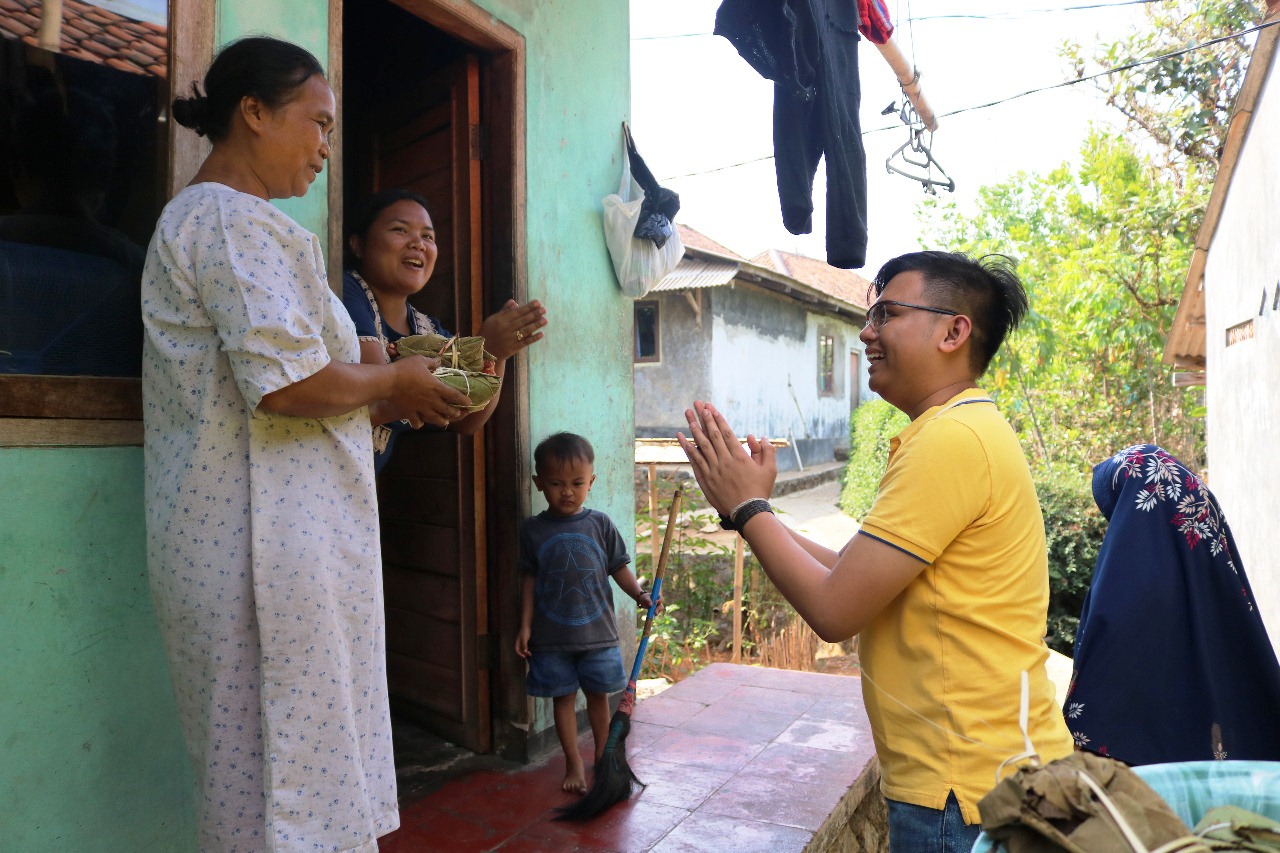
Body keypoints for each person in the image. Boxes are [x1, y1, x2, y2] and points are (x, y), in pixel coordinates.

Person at [141, 36, 471, 851]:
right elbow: (289, 385)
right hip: (254, 551)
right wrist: (397, 384)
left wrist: (456, 358)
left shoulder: (257, 229)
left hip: (287, 547)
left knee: (297, 772)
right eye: (318, 123)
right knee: (272, 782)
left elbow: (346, 356)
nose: (328, 145)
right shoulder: (224, 220)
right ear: (253, 113)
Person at [677, 251, 1075, 853]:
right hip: (987, 777)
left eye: (887, 313)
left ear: (953, 331)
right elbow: (851, 574)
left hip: (966, 792)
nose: (866, 332)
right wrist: (746, 516)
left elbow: (835, 612)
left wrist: (750, 510)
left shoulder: (951, 439)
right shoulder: (960, 430)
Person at [1066, 443, 1280, 764]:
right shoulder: (1202, 530)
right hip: (1232, 767)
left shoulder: (1130, 574)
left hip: (1149, 778)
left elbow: (1108, 649)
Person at [341, 188, 546, 472]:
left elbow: (467, 420)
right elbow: (380, 397)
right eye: (400, 230)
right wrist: (479, 349)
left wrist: (494, 354)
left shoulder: (427, 328)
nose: (419, 244)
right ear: (358, 245)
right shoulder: (346, 291)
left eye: (428, 236)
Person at [514, 432, 653, 794]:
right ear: (538, 483)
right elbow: (528, 580)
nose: (567, 492)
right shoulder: (533, 530)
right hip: (551, 639)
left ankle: (604, 758)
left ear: (591, 481)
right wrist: (525, 626)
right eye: (557, 483)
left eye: (577, 483)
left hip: (598, 635)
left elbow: (619, 567)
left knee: (598, 699)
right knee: (562, 698)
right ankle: (573, 760)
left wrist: (639, 594)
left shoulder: (600, 524)